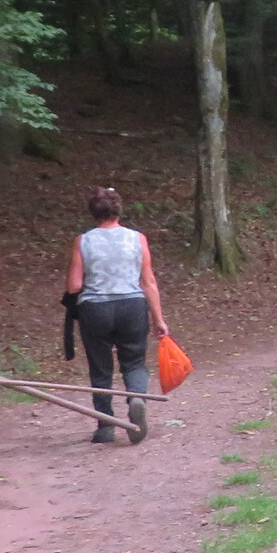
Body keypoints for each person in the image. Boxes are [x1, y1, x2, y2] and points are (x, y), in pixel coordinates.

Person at [63, 186, 168, 445]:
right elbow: (148, 281)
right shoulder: (137, 239)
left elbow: (74, 286)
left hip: (95, 309)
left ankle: (106, 426)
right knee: (134, 362)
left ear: (93, 212)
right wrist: (158, 319)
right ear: (118, 210)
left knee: (100, 368)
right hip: (132, 306)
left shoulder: (83, 241)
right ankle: (136, 398)